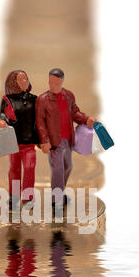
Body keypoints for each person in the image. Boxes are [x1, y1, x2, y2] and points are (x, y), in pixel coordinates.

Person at [36, 68, 97, 205]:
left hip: (68, 139)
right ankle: (56, 199)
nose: (53, 86)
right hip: (53, 141)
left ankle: (59, 192)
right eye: (50, 83)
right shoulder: (43, 99)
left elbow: (75, 113)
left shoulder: (69, 96)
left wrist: (86, 119)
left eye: (56, 83)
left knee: (68, 167)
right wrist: (44, 141)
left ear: (62, 82)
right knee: (57, 169)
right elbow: (40, 123)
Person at [0, 70, 39, 206]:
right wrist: (2, 121)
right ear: (13, 83)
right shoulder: (7, 99)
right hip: (13, 142)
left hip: (29, 143)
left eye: (26, 79)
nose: (24, 82)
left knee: (29, 168)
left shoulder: (34, 99)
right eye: (21, 79)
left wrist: (42, 140)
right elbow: (1, 114)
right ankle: (14, 196)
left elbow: (39, 121)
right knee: (14, 169)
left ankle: (28, 197)